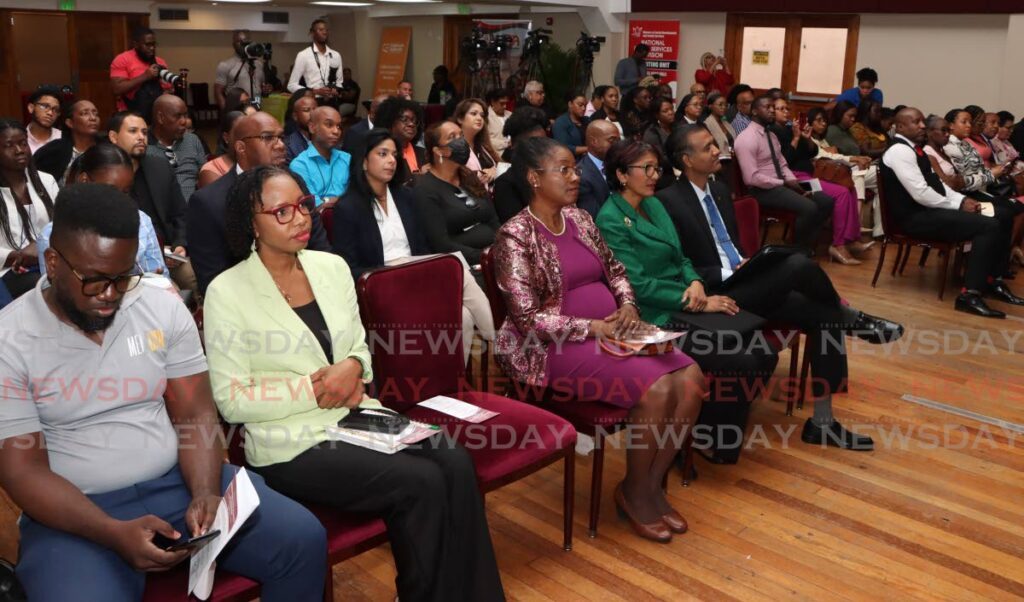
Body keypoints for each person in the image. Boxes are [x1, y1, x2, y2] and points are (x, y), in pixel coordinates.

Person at [0, 183, 328, 601]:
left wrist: (206, 490)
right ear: (52, 262)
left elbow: (195, 413)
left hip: (178, 481)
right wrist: (112, 532)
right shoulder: (9, 339)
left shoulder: (158, 306)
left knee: (301, 539)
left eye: (123, 277)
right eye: (95, 280)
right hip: (75, 512)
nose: (110, 295)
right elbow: (21, 470)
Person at [205, 166, 503, 601]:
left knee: (454, 460)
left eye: (303, 206)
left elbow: (360, 350)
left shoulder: (331, 267)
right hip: (291, 445)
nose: (301, 219)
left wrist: (353, 368)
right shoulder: (226, 292)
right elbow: (232, 401)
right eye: (282, 212)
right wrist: (317, 387)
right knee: (419, 482)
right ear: (251, 223)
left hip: (356, 413)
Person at [494, 135, 706, 542]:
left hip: (613, 330)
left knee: (692, 376)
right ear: (534, 179)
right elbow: (526, 319)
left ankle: (645, 486)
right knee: (659, 388)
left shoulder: (580, 220)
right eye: (564, 170)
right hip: (554, 348)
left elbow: (617, 272)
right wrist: (592, 327)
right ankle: (638, 494)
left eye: (574, 169)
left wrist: (627, 306)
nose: (575, 177)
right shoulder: (515, 236)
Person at [658, 124, 903, 450]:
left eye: (714, 144)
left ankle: (823, 422)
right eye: (707, 148)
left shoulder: (718, 189)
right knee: (799, 264)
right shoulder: (667, 202)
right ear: (686, 160)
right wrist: (725, 270)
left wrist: (747, 262)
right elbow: (678, 266)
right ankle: (852, 318)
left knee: (824, 316)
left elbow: (729, 243)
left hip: (745, 280)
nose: (717, 150)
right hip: (717, 293)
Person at [597, 138, 777, 463]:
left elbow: (680, 256)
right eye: (646, 169)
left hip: (685, 298)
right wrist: (697, 300)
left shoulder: (653, 204)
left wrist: (694, 280)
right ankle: (708, 442)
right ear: (622, 175)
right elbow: (638, 285)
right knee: (742, 360)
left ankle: (706, 428)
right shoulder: (610, 219)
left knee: (764, 349)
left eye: (657, 168)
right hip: (654, 317)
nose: (654, 175)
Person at [332, 128, 494, 362]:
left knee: (464, 313)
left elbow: (422, 246)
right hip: (381, 280)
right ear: (364, 162)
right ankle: (503, 345)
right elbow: (348, 267)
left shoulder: (405, 196)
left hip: (415, 272)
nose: (391, 160)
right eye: (382, 154)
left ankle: (453, 382)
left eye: (394, 154)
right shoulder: (348, 208)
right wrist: (388, 273)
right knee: (455, 266)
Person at [881, 108, 1024, 317]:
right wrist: (958, 205)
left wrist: (963, 199)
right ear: (900, 127)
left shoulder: (915, 149)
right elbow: (921, 193)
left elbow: (938, 187)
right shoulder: (900, 151)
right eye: (916, 122)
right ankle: (969, 295)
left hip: (930, 211)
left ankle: (993, 279)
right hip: (914, 218)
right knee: (989, 225)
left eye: (922, 121)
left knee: (1003, 215)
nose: (922, 125)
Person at [187, 112, 332, 295]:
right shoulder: (208, 202)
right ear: (241, 147)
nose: (280, 145)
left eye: (281, 137)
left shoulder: (295, 184)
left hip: (307, 288)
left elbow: (321, 250)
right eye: (267, 137)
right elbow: (213, 281)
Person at [36, 143, 168, 279]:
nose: (119, 199)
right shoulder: (53, 234)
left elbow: (159, 275)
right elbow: (56, 290)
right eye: (111, 190)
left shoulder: (141, 221)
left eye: (126, 191)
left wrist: (156, 281)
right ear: (85, 181)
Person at [771, 99, 871, 264]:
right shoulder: (773, 133)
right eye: (779, 109)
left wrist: (806, 138)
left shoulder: (790, 129)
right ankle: (838, 245)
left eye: (786, 108)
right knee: (841, 193)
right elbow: (785, 162)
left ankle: (850, 239)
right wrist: (796, 139)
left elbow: (813, 153)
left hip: (808, 175)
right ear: (771, 111)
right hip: (794, 179)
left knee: (849, 187)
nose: (785, 112)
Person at [106, 111, 194, 293]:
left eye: (145, 133)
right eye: (133, 131)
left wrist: (180, 245)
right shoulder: (103, 172)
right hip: (125, 259)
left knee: (193, 276)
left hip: (167, 252)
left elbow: (181, 213)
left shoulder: (159, 166)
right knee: (168, 293)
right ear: (113, 137)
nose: (141, 137)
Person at [734, 95, 834, 249]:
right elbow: (751, 178)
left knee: (825, 199)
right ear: (754, 111)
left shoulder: (771, 136)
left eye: (773, 107)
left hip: (782, 184)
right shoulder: (746, 138)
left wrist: (794, 182)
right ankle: (798, 251)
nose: (772, 111)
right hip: (762, 190)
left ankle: (807, 243)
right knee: (809, 207)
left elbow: (782, 164)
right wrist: (784, 183)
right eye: (767, 107)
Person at [415, 121, 498, 268]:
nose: (460, 141)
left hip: (494, 254)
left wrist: (503, 248)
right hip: (463, 265)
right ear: (438, 151)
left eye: (461, 135)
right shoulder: (425, 189)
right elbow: (441, 244)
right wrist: (486, 258)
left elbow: (493, 219)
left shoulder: (469, 176)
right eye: (452, 137)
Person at [0, 120, 57, 301]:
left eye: (23, 143)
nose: (19, 150)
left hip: (48, 260)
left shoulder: (46, 181)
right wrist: (16, 256)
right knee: (42, 287)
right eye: (9, 145)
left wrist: (40, 248)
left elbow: (63, 224)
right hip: (7, 269)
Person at [493, 107, 549, 222]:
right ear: (514, 146)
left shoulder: (551, 173)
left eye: (545, 143)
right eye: (535, 144)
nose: (544, 149)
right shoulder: (506, 183)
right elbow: (515, 228)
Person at [289, 106, 351, 209]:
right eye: (329, 125)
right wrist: (343, 199)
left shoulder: (347, 159)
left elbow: (358, 197)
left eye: (339, 126)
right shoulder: (300, 165)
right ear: (312, 127)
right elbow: (314, 206)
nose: (336, 131)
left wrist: (328, 201)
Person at [147, 94, 206, 202]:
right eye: (178, 116)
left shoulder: (192, 140)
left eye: (185, 115)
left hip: (193, 207)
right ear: (160, 118)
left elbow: (205, 173)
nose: (184, 121)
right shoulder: (144, 146)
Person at [110, 27, 173, 120]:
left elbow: (168, 89)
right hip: (130, 115)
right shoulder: (122, 59)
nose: (152, 48)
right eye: (147, 45)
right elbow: (117, 89)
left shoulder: (160, 62)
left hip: (156, 115)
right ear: (136, 44)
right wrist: (145, 76)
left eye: (154, 44)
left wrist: (168, 91)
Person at [34, 99, 100, 187]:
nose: (93, 118)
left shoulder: (107, 149)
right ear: (70, 123)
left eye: (95, 114)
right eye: (85, 113)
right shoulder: (53, 151)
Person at [288, 19, 343, 105]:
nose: (324, 32)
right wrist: (315, 91)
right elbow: (291, 85)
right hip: (313, 101)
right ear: (312, 33)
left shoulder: (336, 55)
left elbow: (339, 83)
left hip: (332, 102)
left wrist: (335, 90)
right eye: (320, 30)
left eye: (326, 30)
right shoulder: (304, 55)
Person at [453, 98, 500, 190]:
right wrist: (483, 174)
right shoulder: (453, 147)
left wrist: (496, 171)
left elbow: (501, 167)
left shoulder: (483, 146)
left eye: (482, 115)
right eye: (474, 114)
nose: (479, 118)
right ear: (460, 119)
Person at [576, 119, 620, 217]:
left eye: (618, 140)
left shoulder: (618, 164)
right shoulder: (581, 177)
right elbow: (595, 217)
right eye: (612, 141)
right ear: (594, 142)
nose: (617, 146)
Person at [215, 29, 265, 107]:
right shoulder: (225, 65)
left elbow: (260, 86)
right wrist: (226, 111)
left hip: (257, 105)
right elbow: (218, 92)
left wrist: (266, 89)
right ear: (233, 45)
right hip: (237, 107)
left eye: (247, 42)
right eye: (240, 42)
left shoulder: (259, 64)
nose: (244, 45)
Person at [199, 111, 245, 189]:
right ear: (226, 137)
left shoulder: (258, 162)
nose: (245, 137)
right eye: (239, 133)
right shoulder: (212, 169)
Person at [701, 91, 737, 166]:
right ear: (710, 106)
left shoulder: (726, 123)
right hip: (718, 163)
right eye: (720, 105)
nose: (723, 107)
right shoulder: (706, 124)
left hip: (732, 160)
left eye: (725, 105)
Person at [25, 87, 63, 155]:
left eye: (55, 109)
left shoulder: (63, 139)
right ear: (31, 108)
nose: (50, 113)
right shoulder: (20, 139)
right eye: (45, 106)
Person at [552, 91, 588, 156]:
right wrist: (589, 149)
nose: (583, 108)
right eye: (580, 105)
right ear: (570, 104)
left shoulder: (587, 120)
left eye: (585, 105)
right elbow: (564, 148)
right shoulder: (560, 123)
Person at [485, 88, 510, 154]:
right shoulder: (486, 117)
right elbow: (485, 141)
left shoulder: (510, 115)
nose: (505, 106)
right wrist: (506, 143)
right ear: (493, 102)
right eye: (502, 103)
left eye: (506, 103)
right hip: (496, 154)